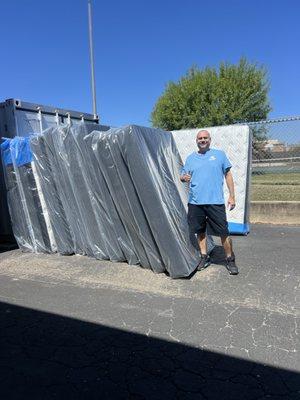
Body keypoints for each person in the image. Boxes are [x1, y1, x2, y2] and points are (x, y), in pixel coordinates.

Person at [180, 130, 239, 275]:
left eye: (205, 138)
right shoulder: (190, 158)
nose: (202, 140)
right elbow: (183, 174)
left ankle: (230, 259)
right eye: (200, 138)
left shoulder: (219, 155)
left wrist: (232, 196)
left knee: (223, 232)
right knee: (200, 231)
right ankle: (204, 257)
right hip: (195, 202)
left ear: (210, 140)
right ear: (196, 140)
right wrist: (183, 177)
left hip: (215, 202)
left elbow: (228, 175)